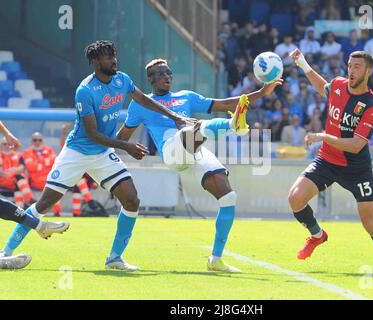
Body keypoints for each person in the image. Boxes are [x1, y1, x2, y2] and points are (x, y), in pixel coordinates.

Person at [0, 40, 192, 271]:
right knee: (44, 204)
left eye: (114, 55)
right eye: (108, 57)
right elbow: (91, 134)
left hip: (102, 154)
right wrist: (125, 146)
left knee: (132, 200)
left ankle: (115, 258)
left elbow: (143, 99)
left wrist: (173, 115)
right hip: (77, 152)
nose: (114, 60)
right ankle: (6, 251)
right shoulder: (85, 91)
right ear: (95, 61)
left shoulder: (123, 80)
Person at [117, 58, 282, 273]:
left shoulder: (186, 97)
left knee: (228, 197)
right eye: (161, 73)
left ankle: (216, 260)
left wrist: (261, 92)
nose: (167, 76)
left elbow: (224, 104)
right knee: (192, 130)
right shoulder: (141, 103)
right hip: (172, 151)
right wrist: (117, 145)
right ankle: (232, 125)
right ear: (150, 79)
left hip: (196, 151)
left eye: (169, 73)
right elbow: (122, 137)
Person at [288, 48, 373, 273]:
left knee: (369, 224)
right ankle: (317, 235)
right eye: (349, 65)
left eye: (357, 67)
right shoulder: (338, 85)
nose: (351, 70)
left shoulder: (371, 105)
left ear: (368, 72)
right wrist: (303, 63)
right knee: (295, 198)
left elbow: (357, 145)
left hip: (356, 169)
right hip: (327, 159)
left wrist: (322, 136)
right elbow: (322, 88)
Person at [0, 109, 70, 270]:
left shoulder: (45, 152)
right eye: (34, 140)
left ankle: (38, 226)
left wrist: (6, 133)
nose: (36, 142)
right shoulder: (24, 153)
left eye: (38, 139)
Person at [0, 138, 37, 208]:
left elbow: (22, 167)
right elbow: (0, 171)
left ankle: (20, 209)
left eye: (9, 144)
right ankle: (29, 198)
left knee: (19, 184)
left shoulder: (18, 155)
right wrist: (13, 171)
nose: (7, 146)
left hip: (17, 182)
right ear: (1, 146)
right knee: (19, 177)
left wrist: (14, 170)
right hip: (4, 181)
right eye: (5, 144)